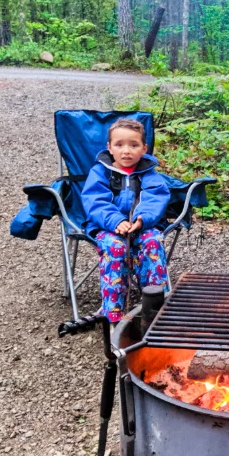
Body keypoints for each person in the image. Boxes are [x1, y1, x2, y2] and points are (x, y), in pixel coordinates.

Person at [81, 118, 170, 323]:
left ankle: (155, 304)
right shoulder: (100, 172)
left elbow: (155, 199)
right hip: (108, 227)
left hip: (142, 226)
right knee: (115, 247)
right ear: (109, 148)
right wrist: (115, 221)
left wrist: (142, 219)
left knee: (153, 241)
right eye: (119, 145)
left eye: (134, 145)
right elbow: (95, 201)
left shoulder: (149, 173)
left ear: (144, 148)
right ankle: (113, 311)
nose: (126, 151)